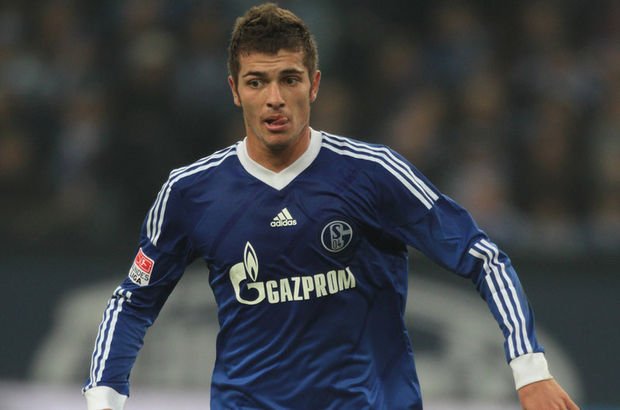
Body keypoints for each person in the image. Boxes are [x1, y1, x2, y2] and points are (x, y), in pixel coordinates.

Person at [83, 3, 579, 409]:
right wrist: (103, 399)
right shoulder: (191, 192)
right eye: (256, 82)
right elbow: (134, 301)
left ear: (314, 84)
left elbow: (483, 258)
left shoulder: (373, 173)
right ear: (235, 91)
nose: (274, 98)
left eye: (289, 79)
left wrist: (530, 369)